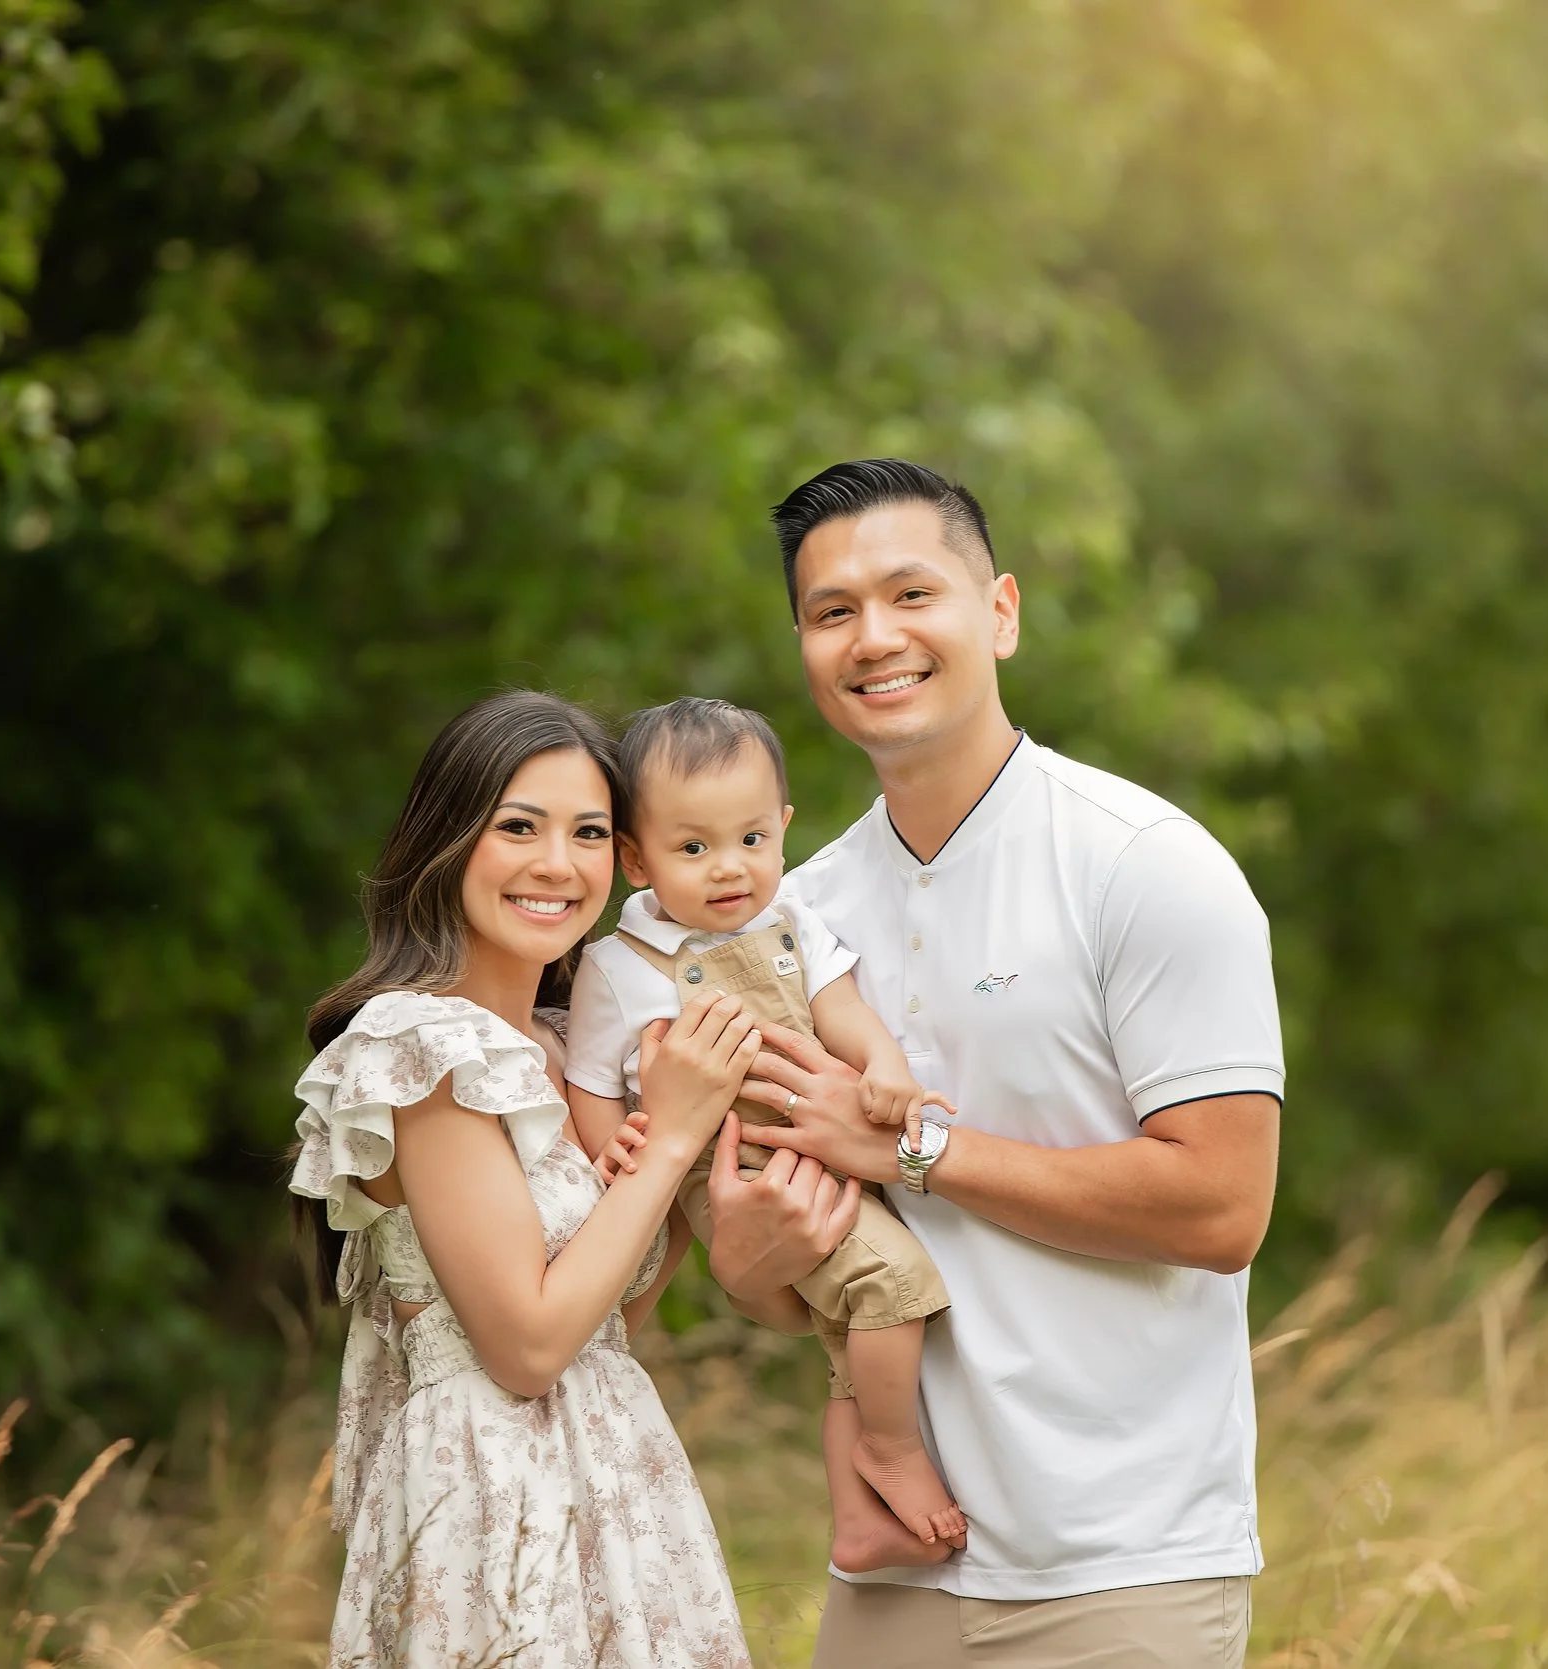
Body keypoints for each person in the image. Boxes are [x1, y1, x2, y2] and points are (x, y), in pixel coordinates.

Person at [705, 460, 1286, 1666]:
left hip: (1123, 1562)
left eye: (912, 593)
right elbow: (782, 1272)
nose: (875, 637)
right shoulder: (791, 918)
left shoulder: (1144, 866)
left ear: (1001, 613)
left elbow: (1225, 1206)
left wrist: (918, 1149)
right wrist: (750, 1262)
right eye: (832, 612)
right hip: (897, 1558)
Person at [285, 690, 756, 1668]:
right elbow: (528, 1347)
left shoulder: (564, 1051)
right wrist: (668, 1142)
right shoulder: (420, 1049)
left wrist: (660, 1167)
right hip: (498, 1500)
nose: (558, 863)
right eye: (519, 827)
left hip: (620, 1483)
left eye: (589, 831)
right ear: (448, 841)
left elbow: (607, 1328)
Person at [561, 696, 969, 1559]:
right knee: (895, 1287)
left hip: (822, 1148)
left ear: (783, 827)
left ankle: (857, 1520)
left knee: (844, 1338)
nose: (729, 868)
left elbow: (842, 1010)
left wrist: (885, 1067)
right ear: (635, 858)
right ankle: (892, 1449)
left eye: (751, 839)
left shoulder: (795, 925)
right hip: (728, 1174)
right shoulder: (619, 965)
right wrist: (610, 1142)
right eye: (693, 847)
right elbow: (590, 1077)